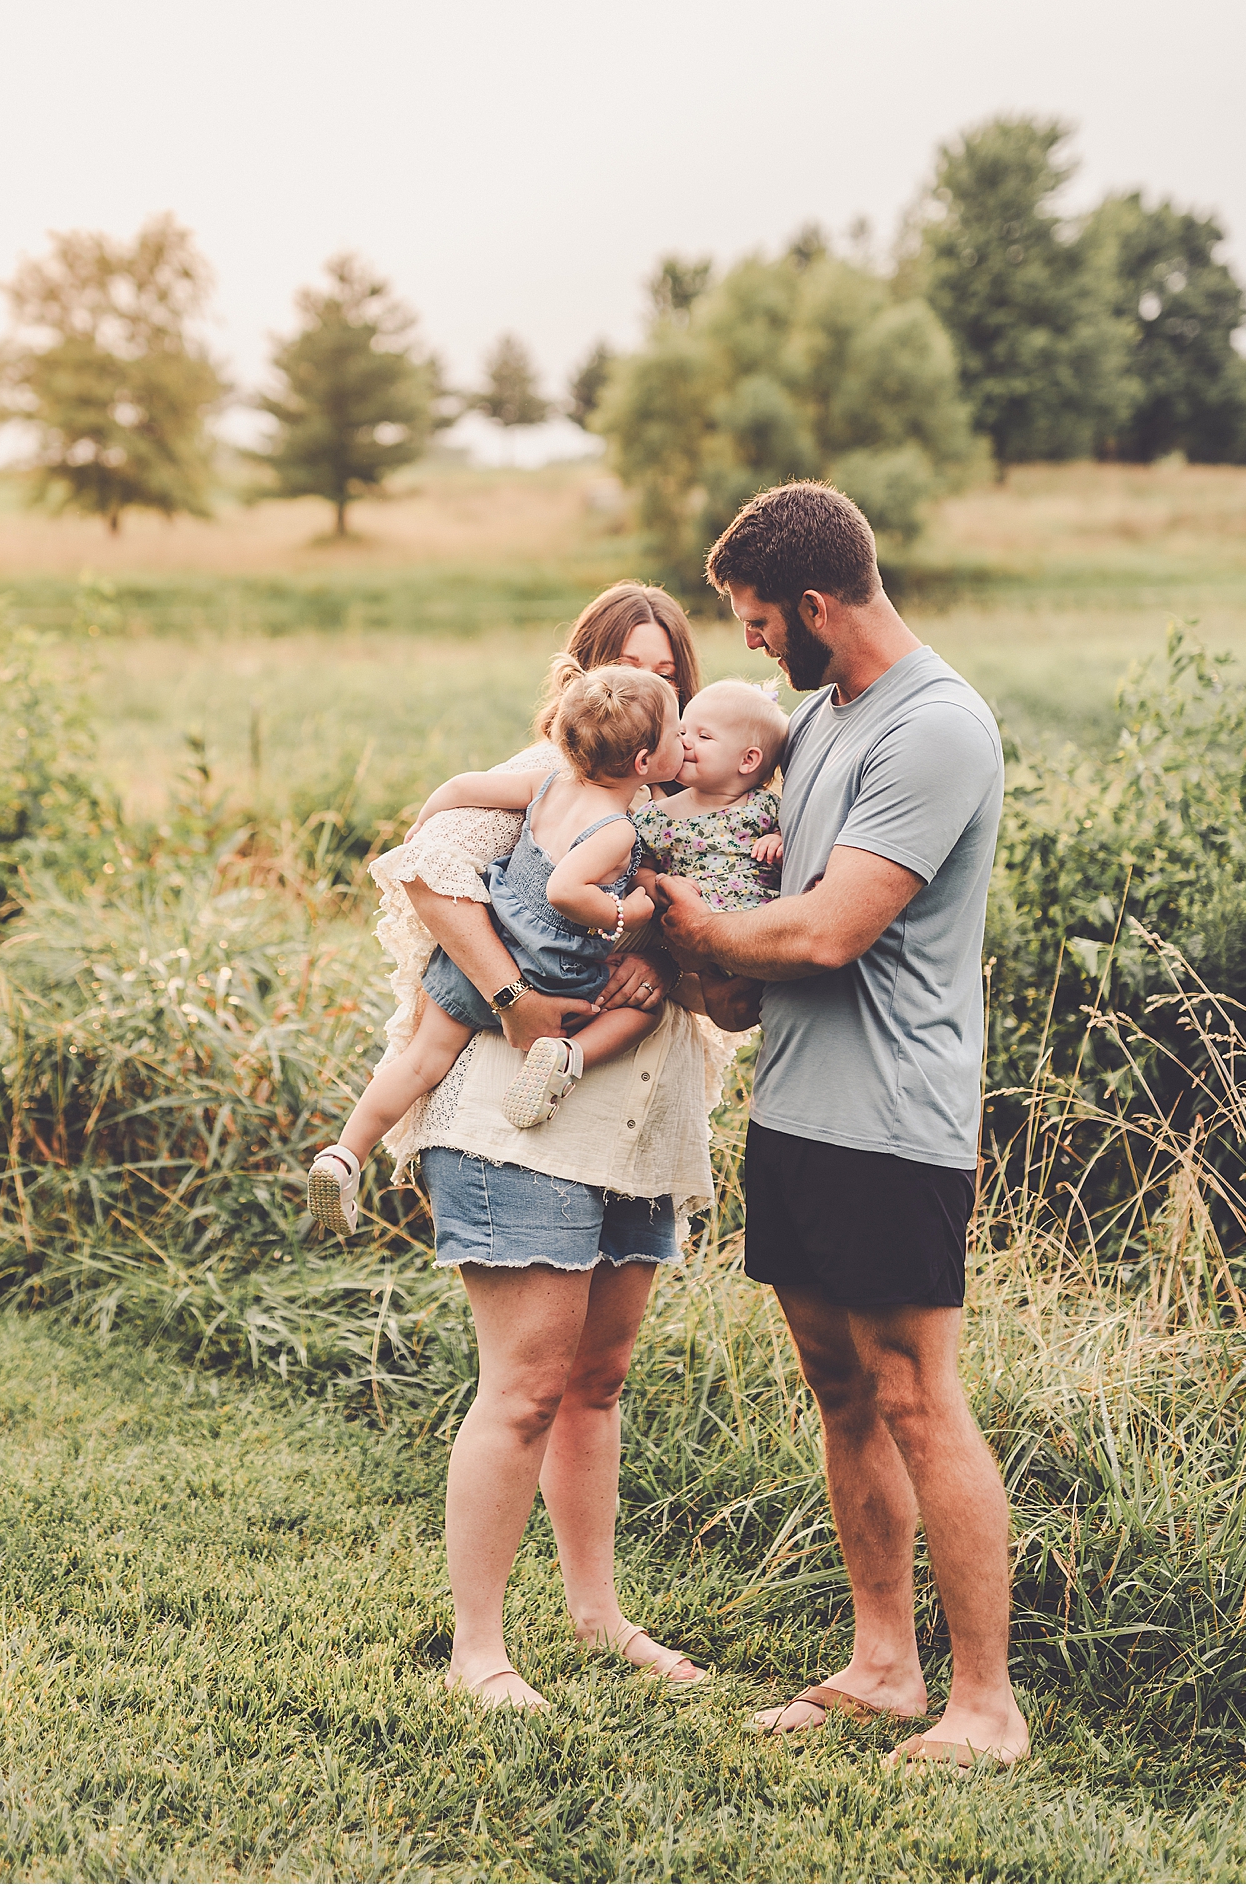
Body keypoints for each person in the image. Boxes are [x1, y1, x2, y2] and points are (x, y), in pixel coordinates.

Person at [655, 481, 1030, 1770]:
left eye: (761, 622)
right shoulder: (815, 724)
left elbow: (829, 926)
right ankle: (883, 1665)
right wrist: (694, 950)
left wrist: (702, 933)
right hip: (800, 1108)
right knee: (837, 1388)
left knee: (919, 1394)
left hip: (892, 1122)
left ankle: (985, 1708)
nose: (751, 644)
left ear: (817, 606)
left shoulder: (936, 728)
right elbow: (768, 933)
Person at [360, 582, 748, 1707]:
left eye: (669, 671)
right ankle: (477, 1651)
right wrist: (515, 993)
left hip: (636, 1122)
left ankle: (596, 1615)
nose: (654, 687)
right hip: (516, 1126)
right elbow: (428, 863)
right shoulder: (543, 783)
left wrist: (667, 956)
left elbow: (725, 965)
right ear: (581, 684)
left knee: (599, 1383)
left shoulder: (695, 804)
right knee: (524, 1388)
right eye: (629, 666)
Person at [306, 667, 684, 1233]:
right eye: (678, 735)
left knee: (421, 1061)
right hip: (553, 971)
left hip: (486, 952)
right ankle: (565, 1061)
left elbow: (460, 787)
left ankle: (344, 1154)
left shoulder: (547, 785)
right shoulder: (619, 829)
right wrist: (627, 911)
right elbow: (566, 891)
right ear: (644, 764)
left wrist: (425, 823)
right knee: (642, 1010)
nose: (684, 742)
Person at [632, 677, 789, 1019]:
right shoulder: (658, 817)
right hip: (693, 945)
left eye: (703, 737)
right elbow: (641, 866)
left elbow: (794, 839)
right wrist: (656, 887)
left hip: (759, 937)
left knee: (759, 1006)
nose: (685, 742)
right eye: (683, 731)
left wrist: (778, 840)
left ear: (747, 760)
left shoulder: (764, 807)